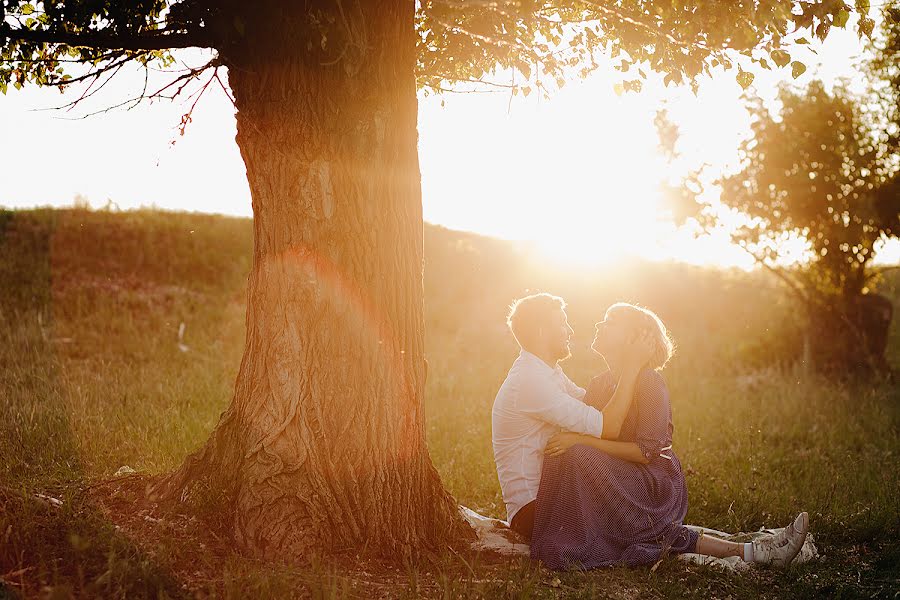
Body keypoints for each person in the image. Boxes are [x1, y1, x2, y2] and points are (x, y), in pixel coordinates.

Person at [492, 294, 809, 570]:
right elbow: (605, 424)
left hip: (642, 480)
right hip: (543, 503)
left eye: (609, 322)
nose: (573, 330)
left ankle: (751, 550)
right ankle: (751, 551)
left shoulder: (635, 381)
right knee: (633, 519)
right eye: (562, 324)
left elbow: (635, 445)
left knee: (588, 463)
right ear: (541, 331)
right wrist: (625, 373)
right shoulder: (544, 381)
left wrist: (582, 436)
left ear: (633, 339)